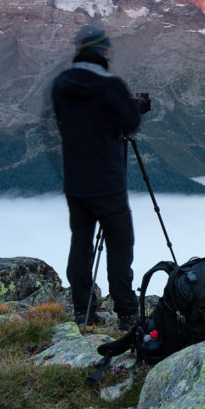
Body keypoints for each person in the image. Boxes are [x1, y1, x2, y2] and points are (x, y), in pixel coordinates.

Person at [51, 24, 151, 330]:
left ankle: (83, 311)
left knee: (80, 242)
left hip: (76, 181)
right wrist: (137, 106)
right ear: (101, 52)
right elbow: (130, 123)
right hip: (107, 181)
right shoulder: (110, 85)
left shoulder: (61, 83)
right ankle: (126, 312)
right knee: (121, 245)